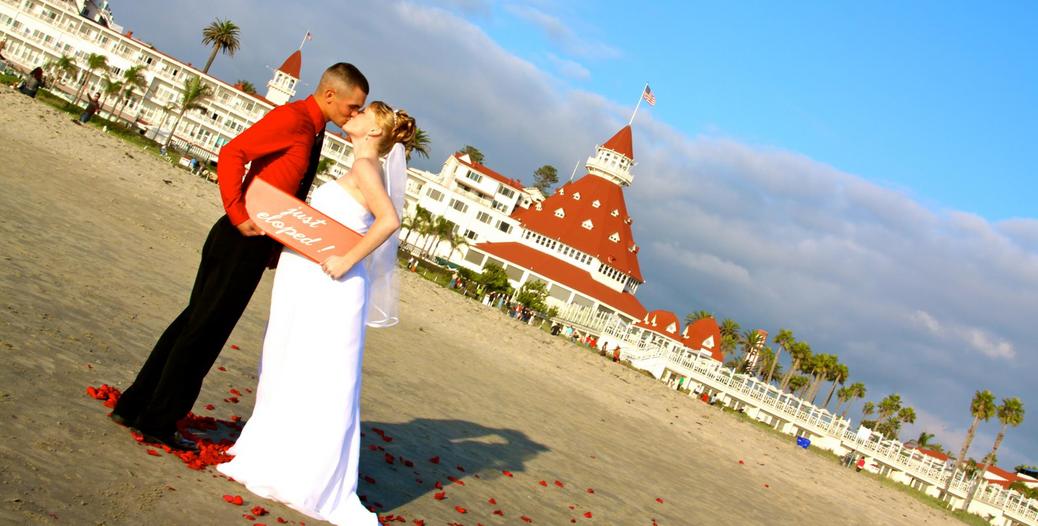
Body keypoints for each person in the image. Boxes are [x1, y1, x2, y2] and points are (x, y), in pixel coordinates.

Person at [109, 63, 369, 451]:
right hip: (237, 238)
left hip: (253, 243)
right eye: (353, 106)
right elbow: (233, 153)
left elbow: (285, 191)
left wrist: (274, 244)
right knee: (204, 332)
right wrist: (238, 213)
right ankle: (158, 420)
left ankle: (135, 405)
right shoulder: (293, 119)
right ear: (330, 94)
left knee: (193, 322)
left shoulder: (313, 131)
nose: (355, 114)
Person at [218, 101, 415, 526]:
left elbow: (389, 221)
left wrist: (346, 260)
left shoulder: (366, 168)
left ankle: (305, 476)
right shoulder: (360, 165)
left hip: (332, 284)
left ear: (374, 132)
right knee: (291, 364)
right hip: (309, 281)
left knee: (317, 374)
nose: (353, 117)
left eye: (361, 115)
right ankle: (281, 457)